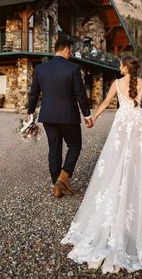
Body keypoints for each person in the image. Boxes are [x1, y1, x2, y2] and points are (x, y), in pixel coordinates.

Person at [61, 55, 142, 274]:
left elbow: (106, 103)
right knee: (137, 162)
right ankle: (134, 198)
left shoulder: (116, 83)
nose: (119, 67)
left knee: (116, 160)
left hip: (122, 123)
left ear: (125, 68)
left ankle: (118, 196)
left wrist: (93, 118)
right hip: (138, 122)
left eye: (120, 64)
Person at [27, 36, 93, 198]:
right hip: (68, 115)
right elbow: (80, 94)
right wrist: (87, 114)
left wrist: (30, 113)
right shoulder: (73, 68)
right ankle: (63, 177)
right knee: (75, 145)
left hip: (48, 116)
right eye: (70, 50)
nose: (70, 53)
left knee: (54, 150)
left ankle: (56, 187)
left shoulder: (41, 69)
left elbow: (34, 93)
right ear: (66, 49)